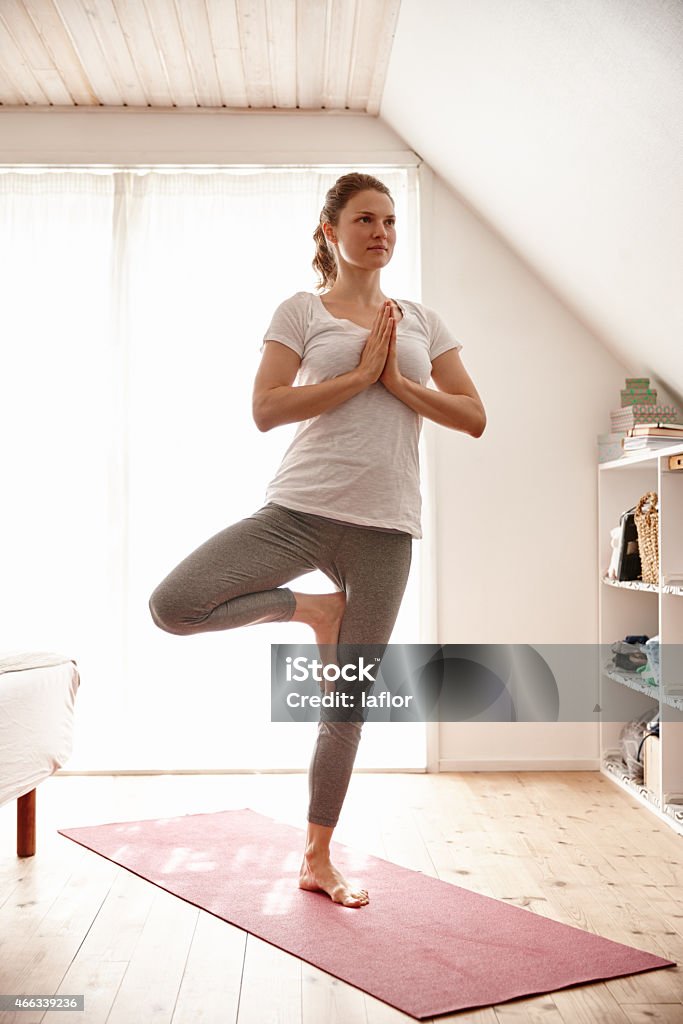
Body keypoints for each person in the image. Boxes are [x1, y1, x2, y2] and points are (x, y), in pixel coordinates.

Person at [148, 172, 486, 909]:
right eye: (365, 219)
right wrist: (361, 374)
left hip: (385, 528)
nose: (382, 232)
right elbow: (266, 408)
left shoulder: (422, 320)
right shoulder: (301, 309)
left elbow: (472, 415)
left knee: (346, 704)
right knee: (175, 605)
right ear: (330, 230)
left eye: (391, 221)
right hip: (298, 508)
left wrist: (399, 386)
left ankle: (316, 857)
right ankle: (312, 609)